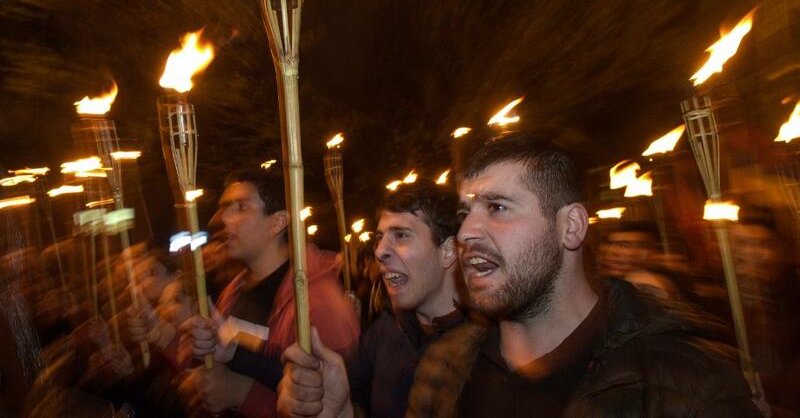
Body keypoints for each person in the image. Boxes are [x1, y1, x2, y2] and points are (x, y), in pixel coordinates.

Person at [406, 132, 760, 417]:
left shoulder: (689, 385)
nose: (466, 232)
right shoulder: (443, 367)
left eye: (497, 207)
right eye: (464, 213)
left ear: (571, 226)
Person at [277, 178, 464, 418]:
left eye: (401, 235)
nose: (379, 251)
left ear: (447, 251)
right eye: (380, 237)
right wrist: (340, 410)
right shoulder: (383, 333)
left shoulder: (494, 351)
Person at [180, 169, 360, 417]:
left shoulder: (319, 301)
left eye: (241, 207)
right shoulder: (234, 290)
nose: (223, 218)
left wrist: (242, 394)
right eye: (224, 207)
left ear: (277, 222)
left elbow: (326, 405)